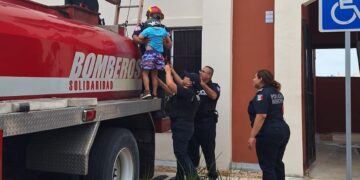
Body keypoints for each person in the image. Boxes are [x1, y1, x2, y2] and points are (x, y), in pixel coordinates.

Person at [247, 69, 290, 180]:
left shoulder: (262, 94)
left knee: (268, 167)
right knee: (277, 163)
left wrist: (252, 136)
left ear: (261, 79)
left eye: (255, 77)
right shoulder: (277, 92)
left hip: (269, 133)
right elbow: (282, 111)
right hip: (283, 130)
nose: (253, 79)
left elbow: (261, 115)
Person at [164, 64, 200, 180]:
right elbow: (175, 84)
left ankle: (194, 177)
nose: (184, 77)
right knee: (182, 153)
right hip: (185, 127)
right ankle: (180, 177)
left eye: (186, 77)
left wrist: (167, 72)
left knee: (180, 153)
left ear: (189, 83)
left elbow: (171, 84)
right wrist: (173, 71)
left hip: (182, 127)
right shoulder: (190, 92)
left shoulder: (187, 93)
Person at [187, 66, 220, 180]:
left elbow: (213, 96)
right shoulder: (194, 85)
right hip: (194, 122)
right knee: (192, 150)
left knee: (209, 150)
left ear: (209, 75)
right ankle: (193, 175)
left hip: (207, 123)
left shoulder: (215, 86)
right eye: (200, 70)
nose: (200, 72)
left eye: (203, 71)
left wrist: (202, 84)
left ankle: (212, 175)